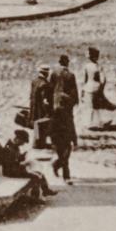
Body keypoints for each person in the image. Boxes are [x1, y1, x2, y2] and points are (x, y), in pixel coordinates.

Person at [0, 130, 57, 200]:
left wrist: (22, 157)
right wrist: (23, 163)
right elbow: (9, 164)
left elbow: (16, 159)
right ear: (18, 139)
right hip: (10, 171)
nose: (23, 144)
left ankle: (45, 190)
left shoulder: (14, 146)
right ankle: (35, 197)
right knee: (36, 177)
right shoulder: (9, 148)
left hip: (15, 169)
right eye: (22, 142)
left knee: (39, 173)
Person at [49, 54, 79, 182]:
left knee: (63, 152)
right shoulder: (70, 76)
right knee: (65, 151)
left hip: (55, 103)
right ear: (67, 63)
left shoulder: (54, 73)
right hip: (66, 106)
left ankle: (57, 165)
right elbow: (74, 93)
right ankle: (65, 174)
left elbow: (50, 89)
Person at [84, 46, 116, 129]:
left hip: (88, 87)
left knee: (91, 106)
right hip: (96, 87)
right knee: (98, 106)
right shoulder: (98, 67)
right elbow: (103, 79)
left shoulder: (87, 66)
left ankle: (90, 123)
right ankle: (99, 122)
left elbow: (85, 79)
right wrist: (101, 88)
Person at [29, 65, 54, 148]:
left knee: (36, 125)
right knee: (42, 125)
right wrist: (48, 111)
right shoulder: (44, 84)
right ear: (46, 74)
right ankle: (40, 144)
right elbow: (45, 100)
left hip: (33, 107)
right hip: (40, 108)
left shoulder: (34, 81)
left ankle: (36, 142)